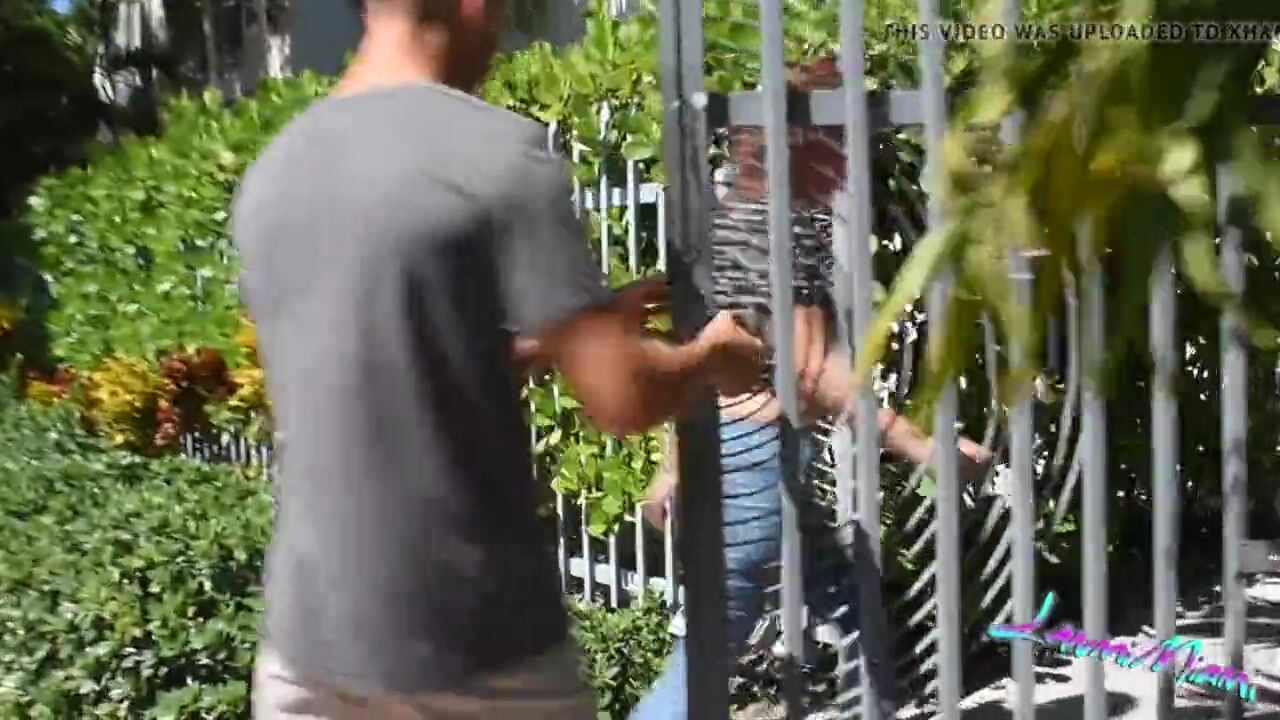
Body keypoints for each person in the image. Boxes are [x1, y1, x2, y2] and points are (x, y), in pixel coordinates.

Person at [231, 1, 768, 718]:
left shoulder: (277, 170)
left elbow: (373, 370)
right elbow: (624, 398)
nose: (503, 35)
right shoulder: (492, 153)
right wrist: (714, 356)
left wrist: (562, 335)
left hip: (306, 647)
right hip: (472, 642)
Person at [628, 58, 994, 720]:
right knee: (705, 661)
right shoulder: (783, 231)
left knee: (844, 594)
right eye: (843, 143)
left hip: (738, 461)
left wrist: (672, 470)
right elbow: (816, 375)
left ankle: (873, 705)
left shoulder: (732, 221)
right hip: (754, 473)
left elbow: (705, 358)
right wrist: (928, 449)